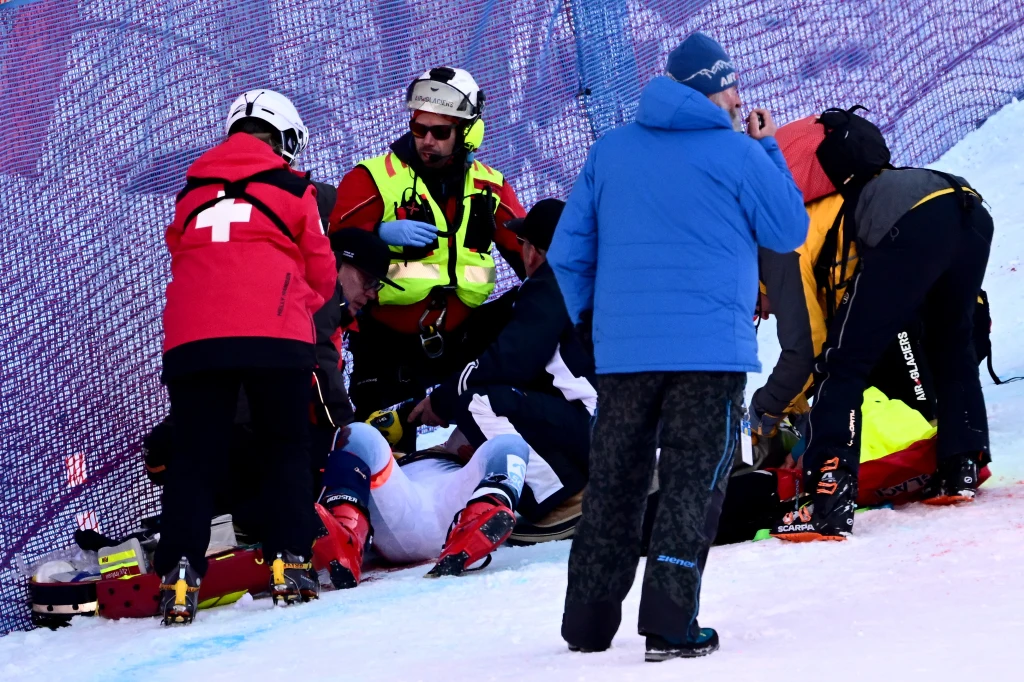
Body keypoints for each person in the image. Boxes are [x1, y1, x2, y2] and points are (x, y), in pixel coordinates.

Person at [547, 33, 808, 661]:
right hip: (709, 355)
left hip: (624, 356)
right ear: (712, 90)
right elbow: (787, 228)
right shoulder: (739, 153)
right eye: (732, 90)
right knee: (694, 481)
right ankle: (669, 625)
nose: (739, 100)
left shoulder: (609, 151)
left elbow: (568, 252)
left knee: (614, 482)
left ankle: (587, 624)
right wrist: (767, 146)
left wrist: (593, 324)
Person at [156, 88, 337, 624]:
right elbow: (323, 272)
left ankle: (179, 575)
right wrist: (291, 305)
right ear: (284, 139)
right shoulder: (295, 189)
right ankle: (291, 560)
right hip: (274, 332)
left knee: (194, 455)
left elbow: (183, 251)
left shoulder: (191, 192)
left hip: (192, 338)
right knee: (283, 445)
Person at [775, 107, 993, 541]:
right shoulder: (894, 179)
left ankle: (828, 499)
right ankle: (961, 467)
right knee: (952, 346)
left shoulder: (830, 213)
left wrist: (789, 406)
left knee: (843, 362)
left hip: (915, 224)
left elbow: (816, 341)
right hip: (969, 206)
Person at [329, 67, 526, 452]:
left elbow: (532, 257)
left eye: (440, 132)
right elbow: (327, 246)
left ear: (468, 133)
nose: (427, 140)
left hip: (466, 340)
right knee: (378, 452)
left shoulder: (491, 186)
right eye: (419, 129)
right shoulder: (371, 178)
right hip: (387, 345)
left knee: (532, 308)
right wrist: (376, 232)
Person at [406, 199, 596, 541]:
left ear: (533, 252)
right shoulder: (590, 278)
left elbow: (511, 360)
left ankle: (560, 497)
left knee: (477, 401)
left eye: (522, 243)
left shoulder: (552, 283)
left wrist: (442, 401)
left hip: (593, 427)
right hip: (621, 424)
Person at [317, 423, 531, 578]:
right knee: (510, 443)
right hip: (434, 508)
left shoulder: (464, 451)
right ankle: (486, 508)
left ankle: (346, 527)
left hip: (428, 506)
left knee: (360, 434)